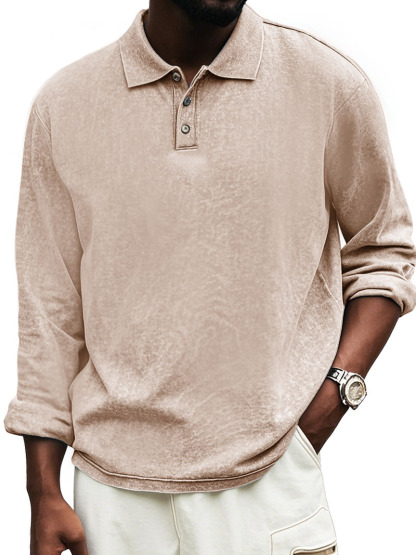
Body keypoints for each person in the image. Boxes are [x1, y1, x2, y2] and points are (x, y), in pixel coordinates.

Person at [4, 0, 416, 553]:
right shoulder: (65, 105)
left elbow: (385, 249)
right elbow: (50, 310)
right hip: (111, 501)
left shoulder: (328, 84)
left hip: (270, 481)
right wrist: (42, 491)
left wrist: (332, 399)